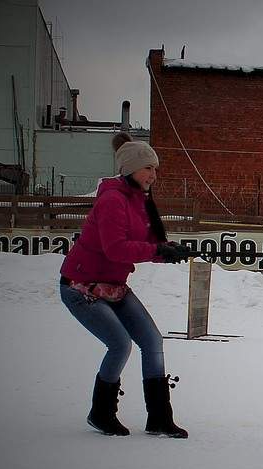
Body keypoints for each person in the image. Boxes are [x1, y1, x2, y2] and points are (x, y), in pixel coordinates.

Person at [59, 132, 192, 438]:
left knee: (152, 341)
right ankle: (101, 413)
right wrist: (157, 251)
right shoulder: (112, 200)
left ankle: (159, 418)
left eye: (155, 169)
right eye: (148, 168)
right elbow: (116, 249)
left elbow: (148, 244)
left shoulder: (140, 202)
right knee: (120, 344)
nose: (153, 175)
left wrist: (169, 251)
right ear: (129, 169)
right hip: (81, 287)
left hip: (114, 286)